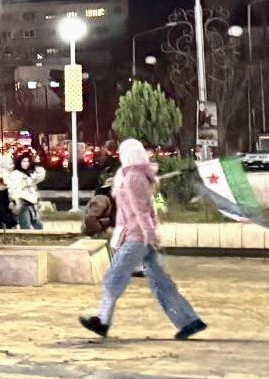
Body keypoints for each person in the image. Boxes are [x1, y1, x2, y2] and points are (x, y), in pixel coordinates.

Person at [80, 140, 206, 340]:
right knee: (160, 282)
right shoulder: (133, 175)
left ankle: (103, 321)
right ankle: (189, 321)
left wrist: (149, 235)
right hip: (139, 235)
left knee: (114, 277)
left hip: (137, 237)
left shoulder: (134, 177)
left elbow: (142, 210)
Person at [7, 153, 46, 230]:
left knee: (38, 225)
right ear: (19, 162)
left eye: (28, 161)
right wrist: (14, 200)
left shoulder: (29, 173)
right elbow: (12, 189)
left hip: (32, 202)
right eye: (24, 161)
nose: (26, 164)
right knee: (26, 225)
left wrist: (36, 168)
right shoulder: (16, 174)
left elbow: (39, 177)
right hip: (22, 202)